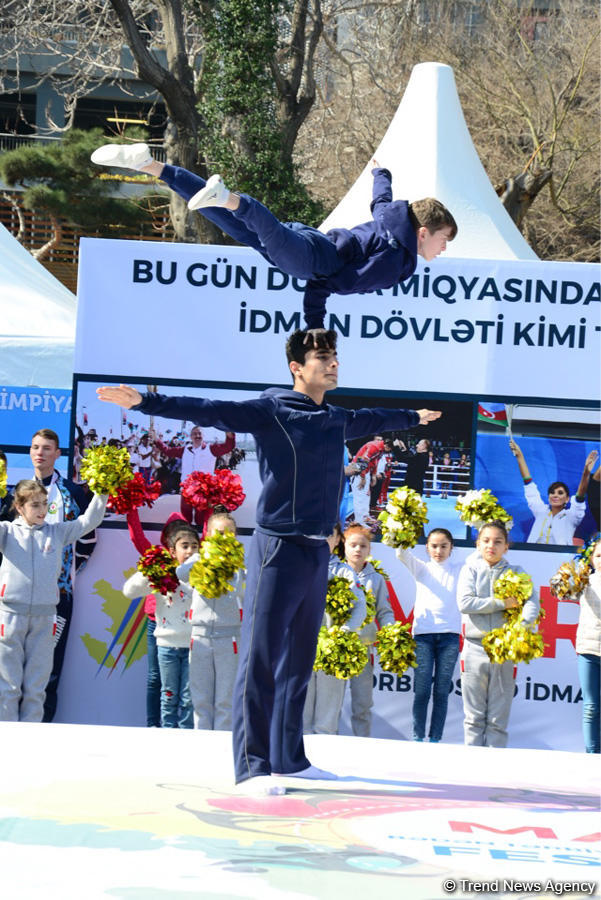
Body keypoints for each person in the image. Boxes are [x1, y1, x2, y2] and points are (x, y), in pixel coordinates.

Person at [97, 328, 441, 795]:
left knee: (298, 659)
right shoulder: (271, 410)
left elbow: (372, 418)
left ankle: (289, 759)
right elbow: (208, 410)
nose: (333, 363)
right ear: (297, 368)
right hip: (277, 547)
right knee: (261, 658)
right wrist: (145, 403)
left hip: (317, 550)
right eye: (323, 357)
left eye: (335, 356)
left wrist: (411, 416)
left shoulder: (336, 417)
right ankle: (252, 765)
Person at [90, 144, 457, 329]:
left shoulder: (390, 221)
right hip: (318, 260)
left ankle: (151, 165)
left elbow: (382, 200)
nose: (442, 250)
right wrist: (315, 323)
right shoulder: (402, 262)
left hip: (316, 240)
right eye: (443, 240)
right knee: (253, 222)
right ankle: (234, 198)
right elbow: (344, 282)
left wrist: (382, 173)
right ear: (422, 232)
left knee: (227, 221)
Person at [0, 480, 107, 721]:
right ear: (19, 506)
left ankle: (31, 746)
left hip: (46, 617)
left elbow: (88, 522)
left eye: (45, 505)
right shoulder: (6, 531)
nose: (41, 510)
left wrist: (102, 492)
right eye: (35, 505)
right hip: (9, 616)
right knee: (7, 687)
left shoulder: (56, 532)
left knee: (36, 689)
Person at [26, 429, 98, 721]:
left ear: (58, 454)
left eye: (46, 448)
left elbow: (88, 538)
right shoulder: (15, 493)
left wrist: (64, 571)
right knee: (11, 667)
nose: (39, 452)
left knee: (50, 669)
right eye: (35, 447)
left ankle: (42, 730)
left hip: (58, 596)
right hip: (18, 599)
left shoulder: (73, 492)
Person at [457, 520, 539, 748]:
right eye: (486, 541)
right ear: (478, 544)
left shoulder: (517, 573)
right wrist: (503, 603)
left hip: (505, 650)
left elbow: (532, 602)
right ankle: (473, 777)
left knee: (497, 721)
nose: (491, 546)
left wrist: (522, 625)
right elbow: (465, 603)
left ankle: (496, 777)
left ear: (506, 547)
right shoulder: (470, 570)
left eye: (497, 541)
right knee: (473, 719)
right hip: (474, 648)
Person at [123, 520, 200, 728]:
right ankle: (166, 738)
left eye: (195, 546)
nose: (190, 550)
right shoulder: (161, 574)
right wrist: (149, 571)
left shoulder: (203, 576)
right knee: (168, 698)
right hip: (166, 647)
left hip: (194, 647)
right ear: (172, 551)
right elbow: (129, 591)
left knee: (188, 700)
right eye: (185, 546)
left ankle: (186, 739)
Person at [176, 511, 246, 731]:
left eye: (229, 534)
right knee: (200, 698)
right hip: (200, 637)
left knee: (225, 699)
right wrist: (202, 558)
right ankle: (202, 745)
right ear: (207, 533)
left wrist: (227, 564)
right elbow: (181, 573)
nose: (224, 538)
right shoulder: (199, 559)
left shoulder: (239, 563)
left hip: (230, 637)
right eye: (219, 533)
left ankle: (224, 746)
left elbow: (236, 589)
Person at [396, 528, 462, 743]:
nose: (438, 550)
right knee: (422, 691)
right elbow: (401, 553)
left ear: (452, 547)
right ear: (427, 547)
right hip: (423, 636)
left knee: (442, 692)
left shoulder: (460, 569)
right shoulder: (421, 568)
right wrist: (403, 525)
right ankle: (417, 737)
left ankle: (435, 739)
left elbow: (480, 555)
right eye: (434, 546)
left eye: (444, 546)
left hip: (450, 637)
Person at [304, 524, 367, 735]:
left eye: (329, 535)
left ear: (338, 539)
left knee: (327, 718)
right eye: (318, 533)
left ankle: (324, 762)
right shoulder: (298, 568)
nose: (324, 540)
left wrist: (343, 633)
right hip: (302, 649)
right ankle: (296, 763)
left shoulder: (345, 572)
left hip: (332, 652)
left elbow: (360, 608)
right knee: (299, 714)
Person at [337, 523, 395, 737]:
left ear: (369, 549)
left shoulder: (376, 579)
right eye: (353, 545)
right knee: (331, 703)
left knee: (362, 705)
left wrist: (390, 631)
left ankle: (363, 745)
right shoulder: (334, 574)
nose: (358, 550)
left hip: (363, 649)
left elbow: (384, 611)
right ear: (344, 546)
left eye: (363, 545)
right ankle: (327, 745)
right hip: (338, 649)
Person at [509, 441, 595, 545]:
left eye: (560, 493)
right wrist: (520, 456)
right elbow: (529, 484)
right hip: (532, 556)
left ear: (567, 499)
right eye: (552, 492)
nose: (555, 495)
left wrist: (586, 473)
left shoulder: (571, 516)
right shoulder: (541, 512)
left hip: (559, 559)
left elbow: (580, 496)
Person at [153, 426, 235, 526]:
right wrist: (157, 440)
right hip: (187, 490)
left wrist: (229, 434)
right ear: (191, 437)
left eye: (199, 433)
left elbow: (228, 446)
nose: (197, 435)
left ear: (203, 436)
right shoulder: (185, 450)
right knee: (185, 517)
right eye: (194, 433)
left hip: (203, 492)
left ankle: (202, 538)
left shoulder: (211, 449)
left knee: (201, 519)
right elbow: (168, 451)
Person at [571, 537, 600, 753]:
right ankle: (592, 755)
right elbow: (560, 592)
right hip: (589, 651)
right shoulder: (585, 581)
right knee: (590, 707)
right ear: (591, 558)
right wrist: (571, 576)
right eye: (598, 556)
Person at [351, 435, 386, 526]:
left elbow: (375, 462)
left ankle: (365, 516)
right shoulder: (373, 446)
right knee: (359, 495)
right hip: (357, 469)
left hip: (366, 471)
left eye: (380, 440)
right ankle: (358, 520)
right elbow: (363, 460)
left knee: (366, 495)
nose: (379, 441)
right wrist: (362, 476)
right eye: (377, 439)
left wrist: (373, 475)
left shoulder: (380, 450)